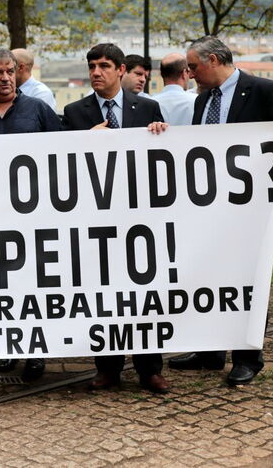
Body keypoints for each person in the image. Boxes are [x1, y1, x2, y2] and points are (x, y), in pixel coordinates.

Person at [169, 35, 273, 386]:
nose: (190, 72)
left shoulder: (262, 88)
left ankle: (247, 357)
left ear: (213, 60)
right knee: (209, 279)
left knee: (249, 283)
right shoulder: (201, 101)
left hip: (253, 209)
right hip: (210, 210)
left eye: (194, 66)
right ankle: (210, 351)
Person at [62, 43, 169, 394]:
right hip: (97, 217)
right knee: (103, 291)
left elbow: (164, 158)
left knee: (143, 292)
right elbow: (61, 165)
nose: (96, 72)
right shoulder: (75, 112)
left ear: (121, 70)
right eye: (92, 65)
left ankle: (150, 368)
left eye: (104, 66)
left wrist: (160, 133)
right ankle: (107, 368)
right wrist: (83, 141)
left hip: (140, 214)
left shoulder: (148, 107)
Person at [0, 47, 60, 381]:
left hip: (32, 218)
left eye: (10, 71)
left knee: (34, 284)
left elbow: (63, 152)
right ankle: (7, 347)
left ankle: (36, 352)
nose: (6, 78)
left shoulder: (38, 109)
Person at [150, 53, 196, 126]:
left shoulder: (149, 103)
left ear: (161, 74)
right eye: (188, 71)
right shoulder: (197, 101)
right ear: (184, 73)